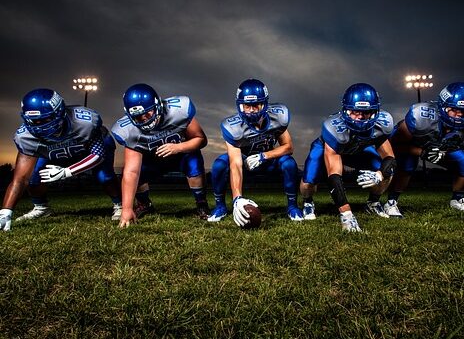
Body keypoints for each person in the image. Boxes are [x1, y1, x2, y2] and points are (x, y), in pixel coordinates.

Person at [385, 82, 464, 224]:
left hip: (442, 147)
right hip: (413, 144)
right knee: (407, 166)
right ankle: (391, 202)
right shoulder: (420, 117)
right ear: (442, 106)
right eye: (454, 109)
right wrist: (422, 152)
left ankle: (457, 200)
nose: (459, 116)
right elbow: (394, 145)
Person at [0, 89, 122, 231]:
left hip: (89, 149)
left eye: (45, 119)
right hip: (55, 154)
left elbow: (98, 155)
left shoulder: (85, 122)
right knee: (34, 176)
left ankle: (120, 204)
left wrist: (67, 172)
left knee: (104, 176)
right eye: (34, 121)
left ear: (60, 112)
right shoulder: (25, 137)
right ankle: (41, 208)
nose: (39, 126)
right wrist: (5, 212)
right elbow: (20, 179)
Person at [299, 83, 397, 232]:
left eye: (366, 112)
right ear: (345, 110)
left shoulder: (383, 124)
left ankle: (373, 202)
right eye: (355, 111)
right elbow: (334, 175)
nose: (360, 117)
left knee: (386, 171)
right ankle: (307, 202)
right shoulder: (333, 129)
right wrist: (346, 214)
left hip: (358, 150)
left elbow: (390, 158)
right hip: (331, 148)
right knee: (309, 181)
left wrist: (379, 174)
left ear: (375, 111)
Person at [207, 78, 304, 226]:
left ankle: (292, 206)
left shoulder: (277, 117)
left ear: (264, 104)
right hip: (245, 162)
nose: (251, 110)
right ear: (240, 105)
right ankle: (220, 206)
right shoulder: (233, 127)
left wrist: (264, 156)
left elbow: (288, 147)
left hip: (268, 161)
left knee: (289, 163)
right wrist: (237, 198)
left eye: (255, 105)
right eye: (247, 106)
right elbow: (235, 163)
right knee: (220, 164)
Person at [111, 83, 209, 228]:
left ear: (158, 105)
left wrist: (178, 147)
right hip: (153, 161)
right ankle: (144, 204)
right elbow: (131, 172)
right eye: (138, 117)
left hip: (181, 155)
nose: (145, 119)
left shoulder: (179, 110)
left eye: (148, 113)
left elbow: (201, 139)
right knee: (134, 173)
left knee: (194, 161)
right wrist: (126, 209)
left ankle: (201, 203)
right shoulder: (127, 130)